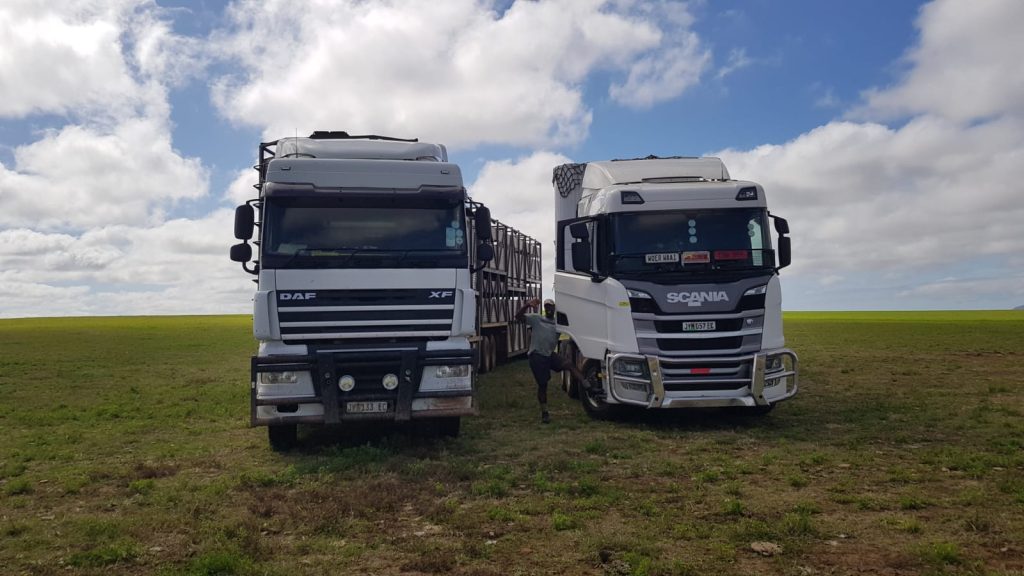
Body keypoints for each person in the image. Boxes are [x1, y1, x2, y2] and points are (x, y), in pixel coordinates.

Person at [516, 297, 588, 423]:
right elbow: (518, 317)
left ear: (554, 308)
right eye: (546, 306)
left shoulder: (558, 324)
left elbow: (575, 325)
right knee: (543, 385)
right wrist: (527, 305)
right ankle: (544, 412)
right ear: (544, 308)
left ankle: (586, 384)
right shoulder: (537, 319)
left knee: (569, 364)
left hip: (549, 355)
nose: (549, 308)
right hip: (537, 356)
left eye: (551, 306)